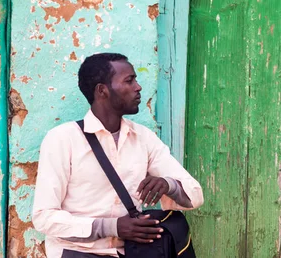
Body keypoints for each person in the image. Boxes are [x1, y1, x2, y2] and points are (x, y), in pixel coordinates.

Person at [32, 53, 203, 257]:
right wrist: (112, 227)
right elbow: (44, 217)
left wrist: (168, 185)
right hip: (77, 252)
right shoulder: (62, 139)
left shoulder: (143, 138)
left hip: (130, 252)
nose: (138, 87)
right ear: (102, 91)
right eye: (129, 81)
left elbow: (195, 195)